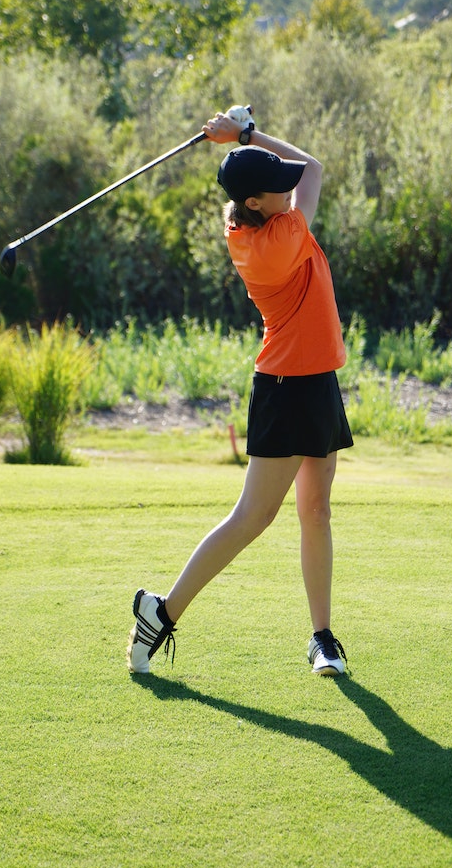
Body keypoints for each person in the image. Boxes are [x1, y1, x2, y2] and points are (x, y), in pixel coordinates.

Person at [127, 108, 353, 677]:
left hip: (317, 379)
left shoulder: (249, 222)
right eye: (276, 189)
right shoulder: (277, 241)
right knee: (254, 516)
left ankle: (322, 638)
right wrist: (244, 134)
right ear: (257, 203)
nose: (288, 190)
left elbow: (294, 173)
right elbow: (314, 168)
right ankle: (163, 613)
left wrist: (242, 143)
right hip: (284, 387)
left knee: (317, 510)